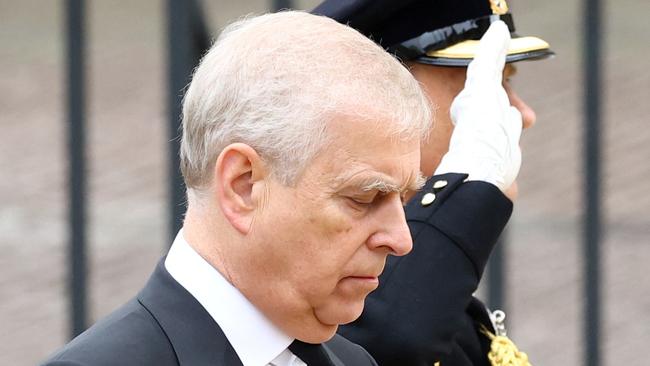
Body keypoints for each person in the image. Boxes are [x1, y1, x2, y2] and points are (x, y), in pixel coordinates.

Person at [42, 11, 433, 366]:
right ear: (243, 186)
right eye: (363, 198)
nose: (401, 239)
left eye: (403, 198)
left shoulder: (353, 361)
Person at [313, 0, 554, 365]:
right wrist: (465, 190)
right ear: (380, 98)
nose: (524, 113)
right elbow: (384, 340)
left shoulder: (436, 287)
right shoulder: (318, 280)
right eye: (490, 83)